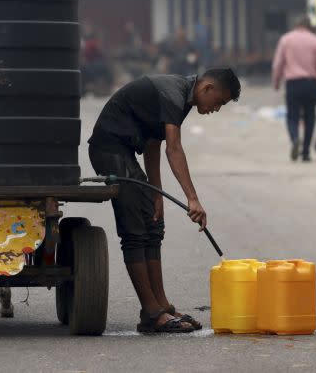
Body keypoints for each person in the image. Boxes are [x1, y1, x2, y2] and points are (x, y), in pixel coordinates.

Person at [88, 68, 240, 333]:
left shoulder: (183, 100)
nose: (216, 109)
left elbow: (152, 145)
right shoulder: (174, 94)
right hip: (109, 149)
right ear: (206, 88)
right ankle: (151, 313)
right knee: (135, 231)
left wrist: (156, 193)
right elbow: (173, 148)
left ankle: (162, 306)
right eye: (218, 102)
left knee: (153, 224)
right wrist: (193, 199)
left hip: (126, 152)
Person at [272, 17, 316, 162]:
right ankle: (305, 152)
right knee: (309, 117)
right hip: (311, 84)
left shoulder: (286, 39)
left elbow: (278, 63)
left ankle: (294, 139)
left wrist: (276, 81)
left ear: (296, 25)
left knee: (292, 116)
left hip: (293, 84)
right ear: (309, 27)